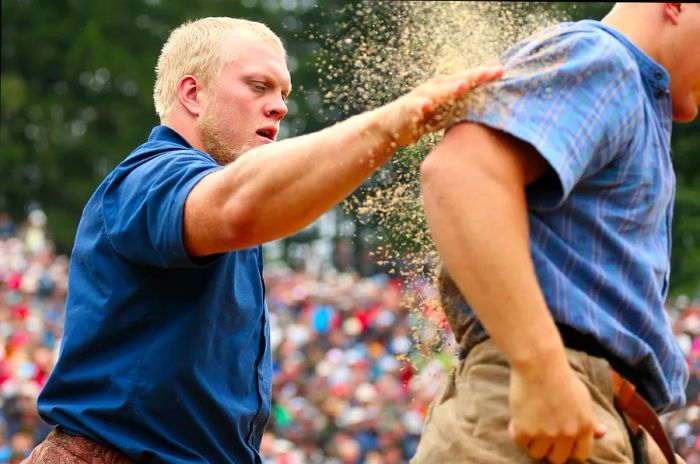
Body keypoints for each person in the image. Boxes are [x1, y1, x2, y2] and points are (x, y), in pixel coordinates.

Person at [24, 16, 503, 464]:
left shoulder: (226, 196)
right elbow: (239, 207)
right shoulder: (151, 176)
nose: (280, 104)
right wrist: (401, 119)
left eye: (283, 92)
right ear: (191, 93)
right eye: (258, 86)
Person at [413, 3, 699, 464]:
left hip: (584, 409)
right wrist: (540, 368)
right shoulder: (603, 58)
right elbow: (459, 172)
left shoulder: (623, 85)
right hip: (541, 410)